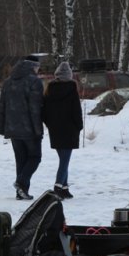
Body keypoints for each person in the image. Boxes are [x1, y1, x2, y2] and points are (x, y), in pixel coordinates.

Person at [0, 55, 44, 200]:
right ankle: (21, 183)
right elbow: (35, 108)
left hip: (12, 128)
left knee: (21, 160)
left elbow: (2, 106)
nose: (38, 70)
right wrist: (38, 129)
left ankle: (21, 193)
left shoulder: (8, 82)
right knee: (35, 157)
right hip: (29, 129)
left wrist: (1, 127)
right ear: (33, 66)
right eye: (38, 67)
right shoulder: (35, 82)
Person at [42, 61, 83, 199]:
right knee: (64, 161)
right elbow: (76, 110)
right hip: (70, 129)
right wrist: (79, 126)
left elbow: (44, 112)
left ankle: (64, 187)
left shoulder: (49, 90)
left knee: (63, 158)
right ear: (69, 76)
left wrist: (50, 124)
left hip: (55, 130)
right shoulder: (72, 89)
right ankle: (58, 186)